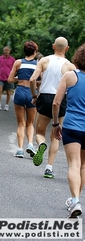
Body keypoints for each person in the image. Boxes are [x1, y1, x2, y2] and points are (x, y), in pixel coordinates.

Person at [29, 37, 76, 178]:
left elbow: (32, 79)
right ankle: (49, 168)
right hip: (61, 99)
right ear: (67, 49)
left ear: (53, 46)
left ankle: (41, 144)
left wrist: (34, 96)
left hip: (45, 97)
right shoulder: (70, 66)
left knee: (39, 132)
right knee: (56, 135)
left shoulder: (43, 60)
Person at [52, 43, 85, 218]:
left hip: (72, 126)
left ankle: (75, 200)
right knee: (83, 165)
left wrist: (56, 124)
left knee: (73, 164)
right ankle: (75, 201)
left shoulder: (70, 76)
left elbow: (56, 103)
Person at [7, 41, 38, 158]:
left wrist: (18, 78)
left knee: (21, 123)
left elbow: (10, 80)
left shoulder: (18, 62)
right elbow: (40, 81)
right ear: (34, 52)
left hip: (20, 91)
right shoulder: (38, 64)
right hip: (31, 92)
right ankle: (30, 144)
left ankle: (20, 149)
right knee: (30, 123)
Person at [0, 46, 15, 111]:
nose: (6, 51)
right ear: (3, 51)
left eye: (7, 50)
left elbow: (15, 69)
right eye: (5, 50)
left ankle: (7, 105)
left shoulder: (12, 59)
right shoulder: (0, 58)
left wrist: (13, 77)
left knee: (8, 92)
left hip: (9, 78)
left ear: (9, 51)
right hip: (1, 77)